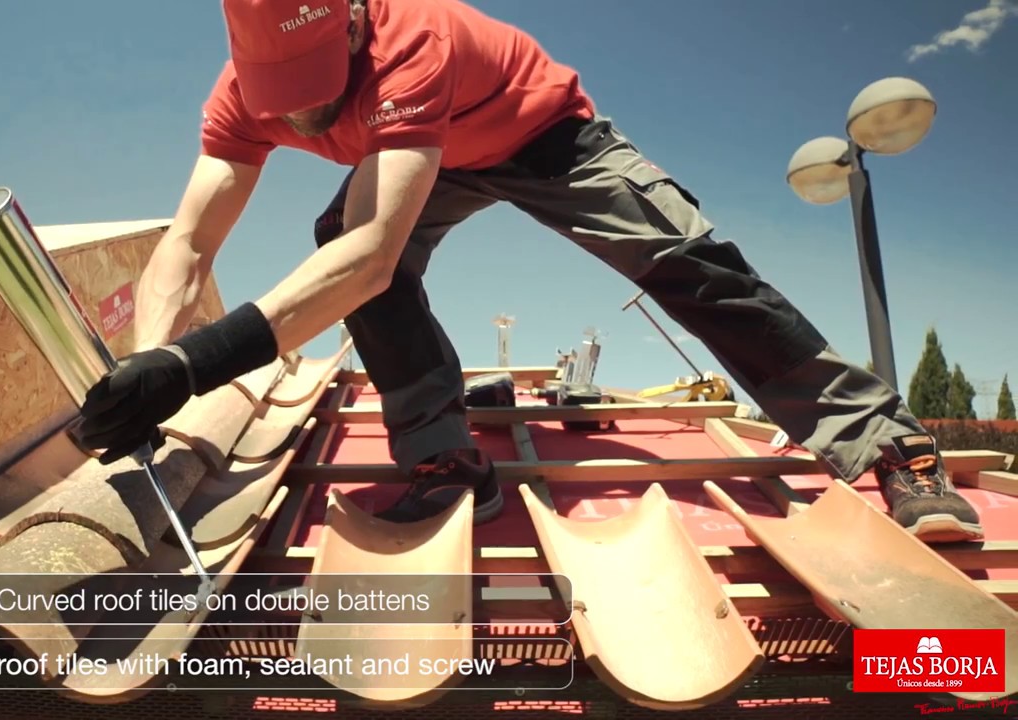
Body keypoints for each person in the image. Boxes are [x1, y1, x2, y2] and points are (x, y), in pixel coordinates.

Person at [75, 0, 983, 543]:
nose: (306, 114)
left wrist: (196, 364)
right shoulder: (242, 95)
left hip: (546, 133)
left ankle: (890, 447)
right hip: (431, 157)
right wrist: (144, 372)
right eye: (287, 100)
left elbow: (372, 254)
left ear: (352, 19)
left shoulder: (409, 41)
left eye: (320, 86)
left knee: (688, 262)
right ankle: (444, 458)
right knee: (335, 234)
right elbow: (188, 245)